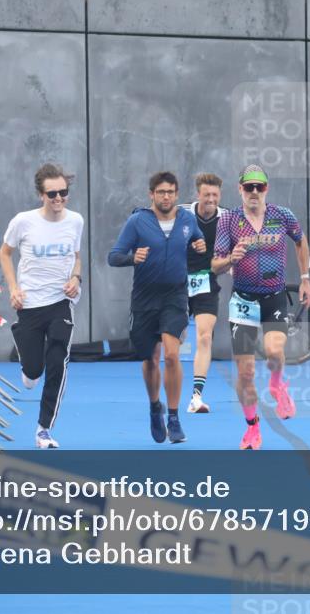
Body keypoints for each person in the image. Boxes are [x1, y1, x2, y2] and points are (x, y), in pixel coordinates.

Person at [212, 165, 310, 450]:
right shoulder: (229, 220)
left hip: (274, 297)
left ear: (266, 189)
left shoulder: (282, 215)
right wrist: (231, 258)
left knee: (274, 353)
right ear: (239, 189)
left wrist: (305, 278)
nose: (254, 192)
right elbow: (215, 266)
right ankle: (252, 429)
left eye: (260, 187)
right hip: (243, 300)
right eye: (249, 187)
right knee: (245, 373)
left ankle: (278, 384)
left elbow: (300, 240)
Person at [108, 171, 205, 444]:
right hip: (144, 298)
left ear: (176, 194)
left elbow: (198, 240)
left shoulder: (186, 219)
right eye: (161, 192)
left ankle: (174, 417)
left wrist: (200, 244)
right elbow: (113, 257)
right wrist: (132, 258)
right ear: (152, 194)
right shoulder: (137, 221)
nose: (166, 197)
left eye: (171, 192)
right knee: (151, 359)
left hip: (175, 296)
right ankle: (155, 407)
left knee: (172, 354)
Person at [0, 164, 83, 449]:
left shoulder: (75, 221)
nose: (59, 199)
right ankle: (24, 349)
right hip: (30, 303)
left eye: (64, 193)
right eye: (52, 194)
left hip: (61, 302)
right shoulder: (23, 221)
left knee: (58, 362)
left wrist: (76, 276)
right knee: (33, 372)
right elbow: (5, 253)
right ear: (40, 195)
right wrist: (13, 287)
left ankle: (44, 429)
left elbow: (76, 256)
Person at [179, 173, 227, 414]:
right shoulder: (181, 212)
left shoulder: (227, 218)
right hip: (176, 281)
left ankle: (196, 396)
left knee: (205, 336)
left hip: (206, 281)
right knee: (172, 340)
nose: (211, 199)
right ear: (198, 194)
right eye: (206, 194)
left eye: (215, 195)